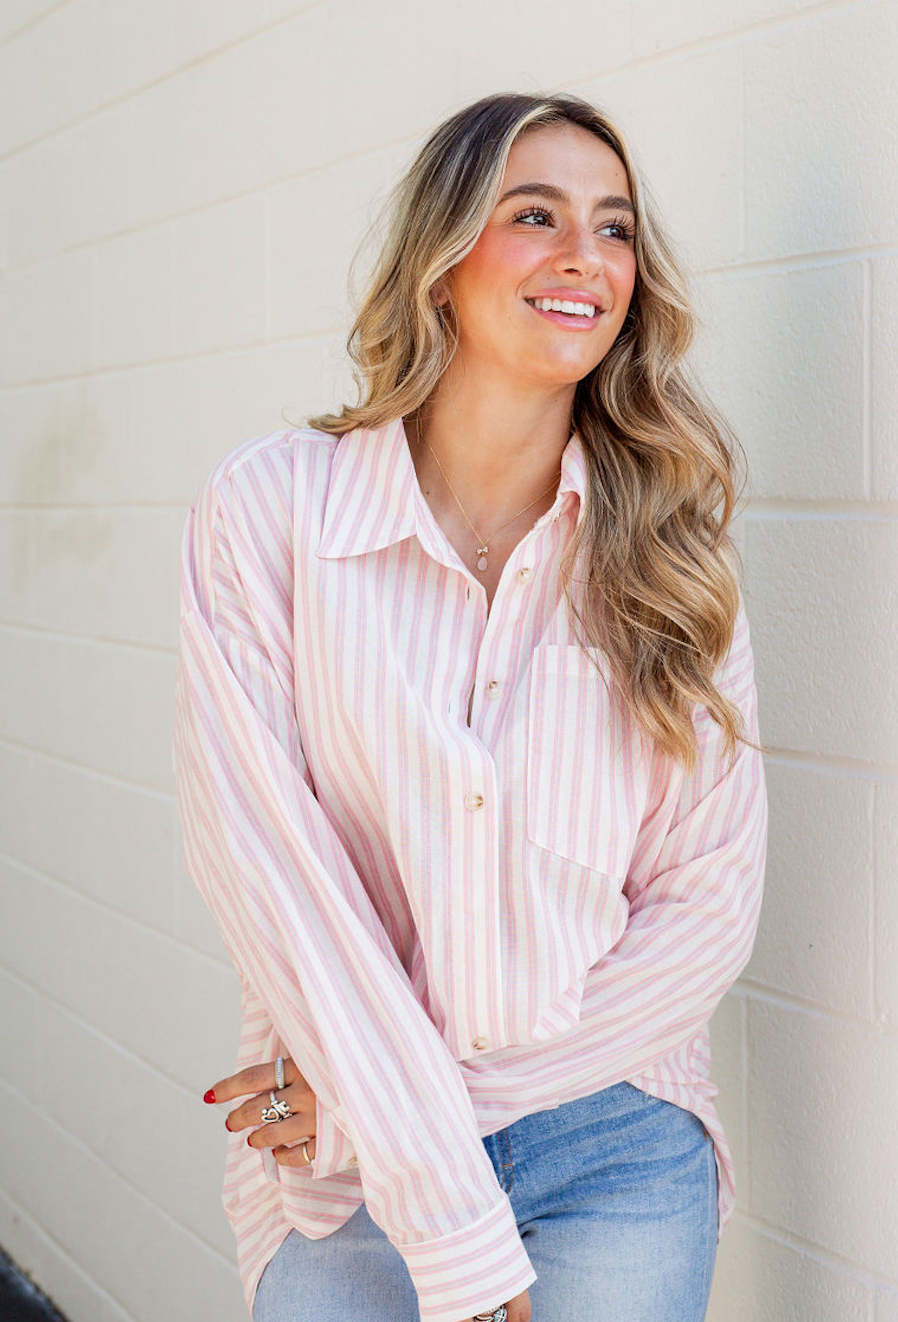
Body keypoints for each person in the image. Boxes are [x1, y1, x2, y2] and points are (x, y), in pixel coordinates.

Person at [172, 91, 768, 1322]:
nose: (581, 257)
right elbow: (270, 868)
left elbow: (705, 907)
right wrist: (417, 1167)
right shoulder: (273, 511)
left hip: (607, 1141)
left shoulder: (667, 547)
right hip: (337, 1175)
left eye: (613, 228)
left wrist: (407, 1114)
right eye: (533, 213)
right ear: (441, 263)